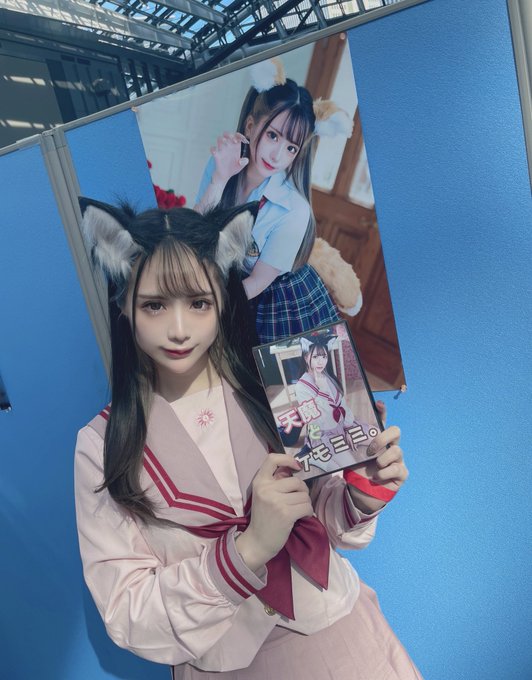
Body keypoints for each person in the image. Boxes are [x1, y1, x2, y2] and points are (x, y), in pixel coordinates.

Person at [74, 198, 422, 679]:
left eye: (198, 303)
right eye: (155, 305)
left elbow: (322, 517)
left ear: (221, 299)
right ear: (125, 306)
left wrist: (361, 493)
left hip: (339, 635)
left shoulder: (282, 382)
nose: (179, 329)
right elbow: (126, 610)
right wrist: (247, 551)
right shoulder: (101, 444)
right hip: (222, 664)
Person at [194, 58, 352, 344]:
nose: (278, 155)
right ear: (250, 126)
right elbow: (195, 233)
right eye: (272, 136)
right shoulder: (221, 163)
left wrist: (207, 302)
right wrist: (219, 178)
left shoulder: (295, 210)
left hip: (278, 299)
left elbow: (258, 282)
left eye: (291, 147)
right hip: (230, 283)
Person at [294, 335, 377, 475]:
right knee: (350, 469)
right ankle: (315, 456)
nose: (321, 361)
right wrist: (322, 390)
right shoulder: (301, 387)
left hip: (341, 427)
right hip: (323, 435)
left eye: (324, 356)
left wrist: (348, 429)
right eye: (316, 357)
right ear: (306, 357)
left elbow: (342, 405)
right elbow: (315, 421)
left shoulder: (327, 376)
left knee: (378, 437)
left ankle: (325, 455)